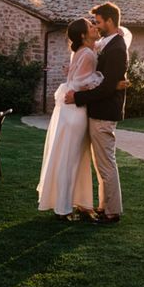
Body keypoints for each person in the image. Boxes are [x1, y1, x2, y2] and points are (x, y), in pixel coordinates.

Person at [65, 2, 128, 225]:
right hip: (99, 112)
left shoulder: (118, 48)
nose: (97, 26)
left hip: (104, 113)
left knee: (106, 164)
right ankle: (105, 206)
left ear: (110, 21)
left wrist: (78, 97)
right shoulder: (110, 43)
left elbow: (107, 87)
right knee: (102, 164)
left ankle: (112, 212)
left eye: (99, 22)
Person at [37, 18, 102, 219]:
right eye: (91, 27)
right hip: (76, 112)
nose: (95, 27)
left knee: (69, 158)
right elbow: (81, 84)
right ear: (83, 35)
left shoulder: (81, 51)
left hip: (69, 111)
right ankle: (64, 209)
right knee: (71, 160)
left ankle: (72, 203)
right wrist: (101, 79)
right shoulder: (88, 54)